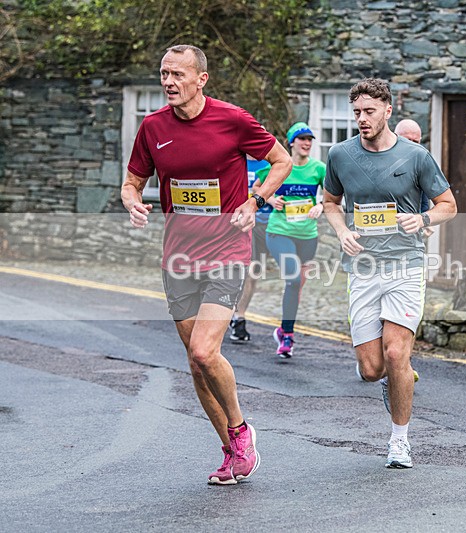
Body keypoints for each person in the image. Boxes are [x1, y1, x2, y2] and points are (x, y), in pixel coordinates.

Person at [121, 44, 292, 485]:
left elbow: (281, 160)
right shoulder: (152, 127)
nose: (169, 82)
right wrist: (134, 201)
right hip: (178, 257)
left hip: (227, 252)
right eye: (164, 73)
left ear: (202, 79)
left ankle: (240, 431)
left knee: (203, 349)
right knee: (196, 364)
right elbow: (132, 181)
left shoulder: (232, 120)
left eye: (178, 74)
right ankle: (231, 451)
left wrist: (256, 201)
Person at [323, 78, 457, 469]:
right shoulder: (340, 155)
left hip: (405, 265)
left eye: (369, 112)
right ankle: (391, 378)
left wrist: (423, 218)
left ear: (387, 111)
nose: (362, 120)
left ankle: (400, 441)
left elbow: (448, 204)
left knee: (397, 352)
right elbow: (330, 202)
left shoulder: (416, 156)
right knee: (371, 369)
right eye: (357, 113)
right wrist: (343, 230)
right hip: (363, 268)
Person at [257, 121, 326, 357]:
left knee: (296, 287)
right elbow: (256, 188)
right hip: (279, 231)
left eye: (310, 140)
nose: (307, 143)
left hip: (308, 235)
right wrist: (269, 200)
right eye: (302, 139)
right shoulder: (279, 166)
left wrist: (321, 205)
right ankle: (287, 335)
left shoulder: (319, 169)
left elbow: (332, 197)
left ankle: (283, 329)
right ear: (291, 142)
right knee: (293, 279)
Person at [229, 156, 273, 343]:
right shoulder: (234, 161)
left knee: (253, 274)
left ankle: (238, 315)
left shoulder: (270, 166)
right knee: (244, 271)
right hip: (241, 225)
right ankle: (236, 317)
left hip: (265, 224)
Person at [394, 119, 432, 237]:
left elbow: (424, 201)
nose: (411, 146)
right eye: (407, 140)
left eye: (415, 141)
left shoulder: (422, 164)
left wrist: (424, 222)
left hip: (409, 235)